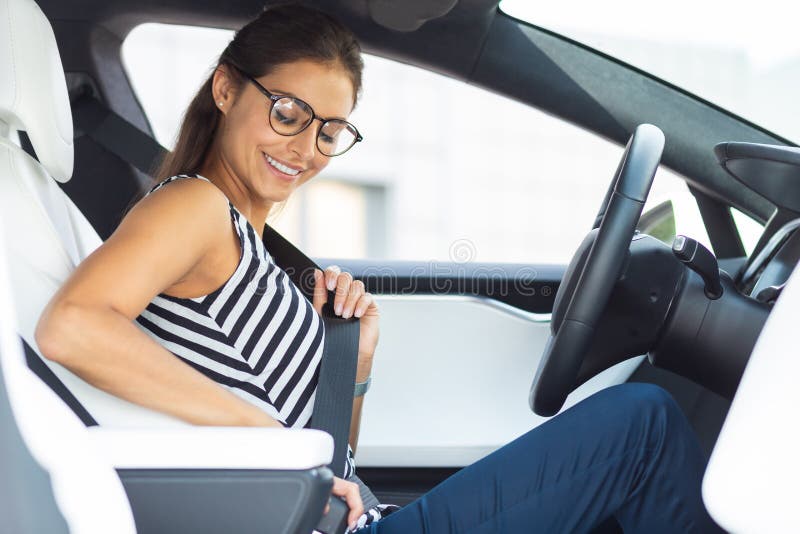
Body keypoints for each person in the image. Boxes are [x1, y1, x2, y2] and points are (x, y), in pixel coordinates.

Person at [34, 4, 723, 533]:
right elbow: (73, 327)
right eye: (288, 113)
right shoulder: (194, 205)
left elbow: (333, 466)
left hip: (353, 516)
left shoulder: (247, 236)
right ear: (224, 90)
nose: (306, 149)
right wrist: (265, 438)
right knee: (643, 425)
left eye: (330, 130)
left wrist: (352, 363)